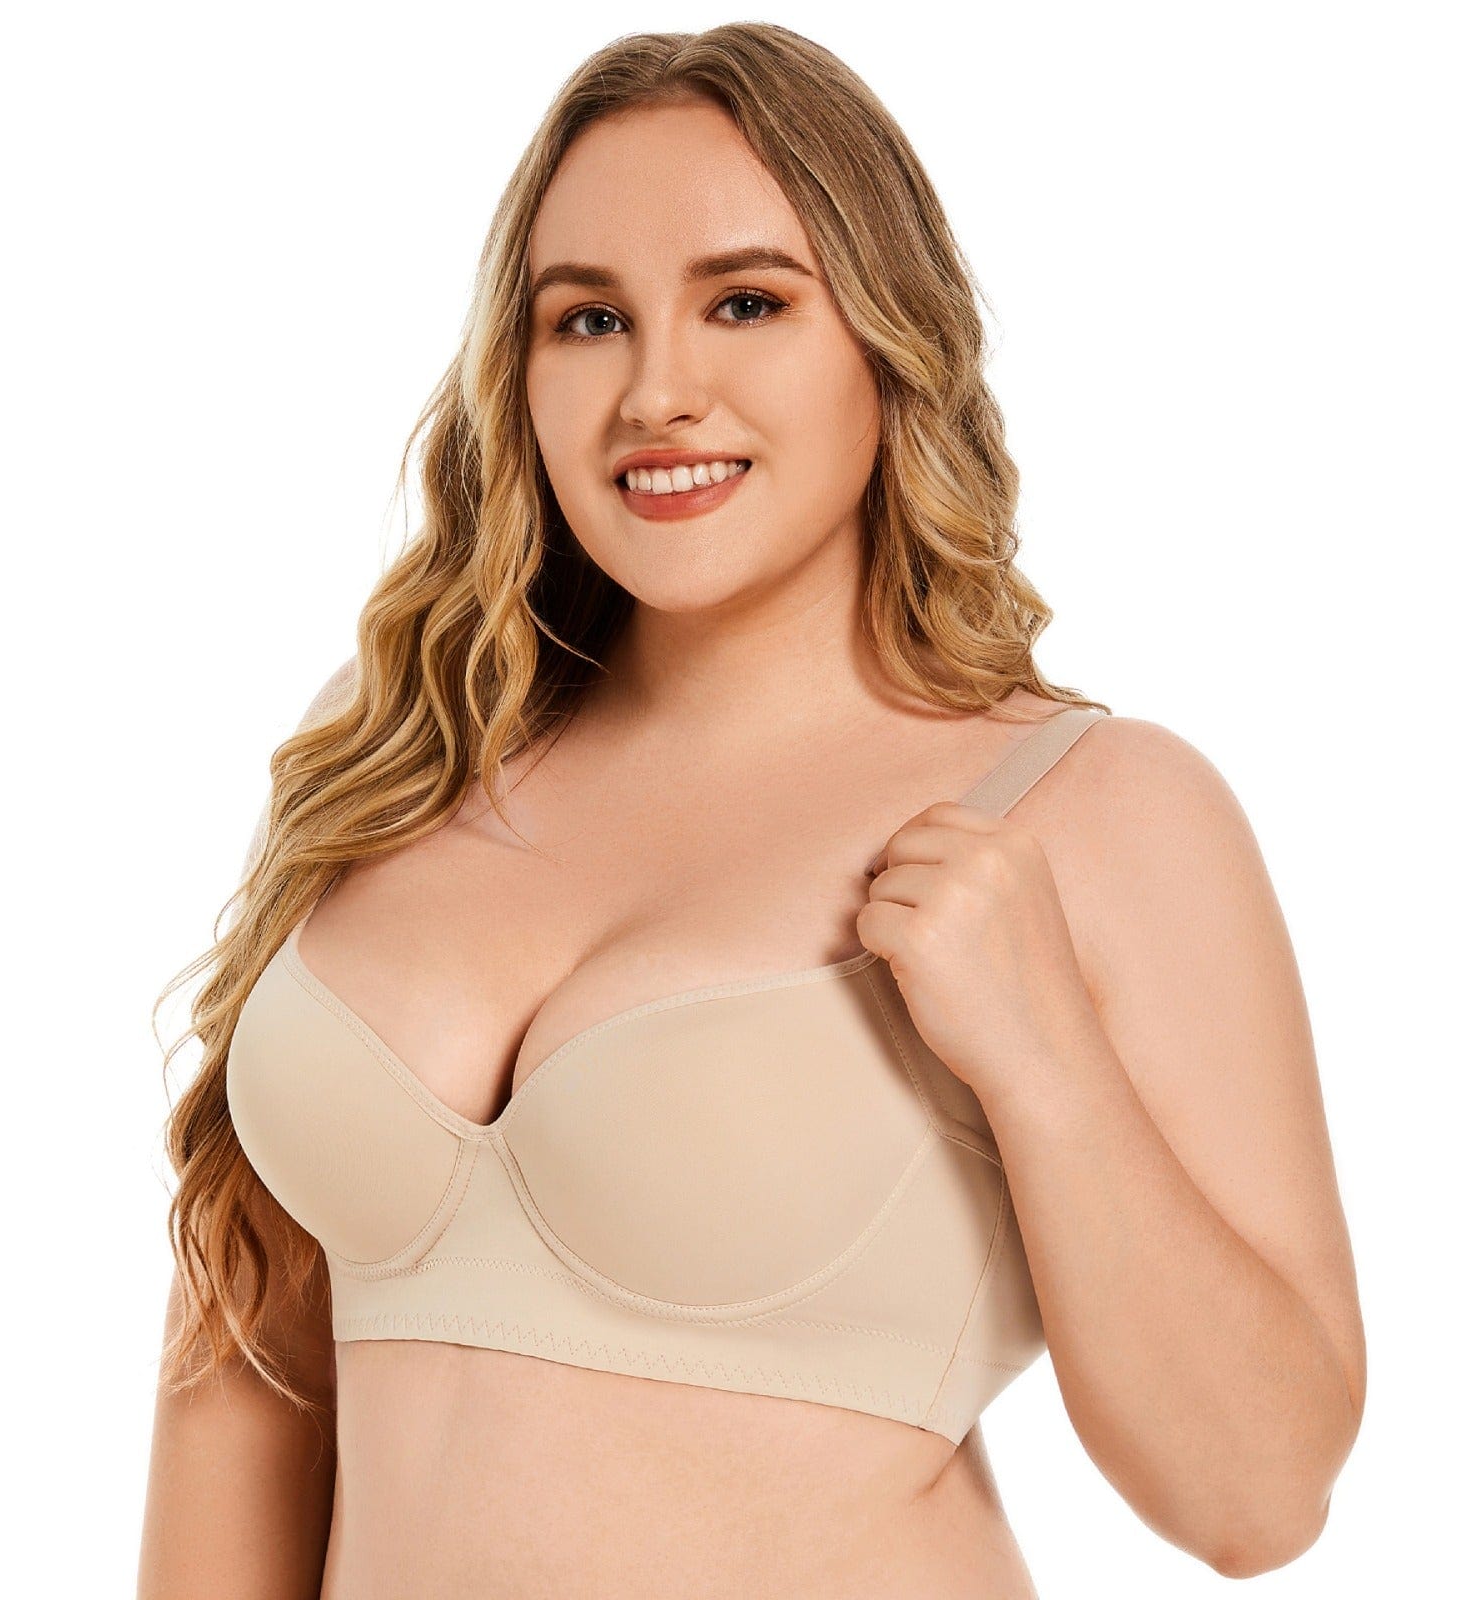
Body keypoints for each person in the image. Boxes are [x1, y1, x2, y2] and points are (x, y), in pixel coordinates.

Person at [137, 23, 1364, 1599]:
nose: (658, 391)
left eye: (746, 302)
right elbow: (245, 1350)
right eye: (589, 319)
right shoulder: (402, 748)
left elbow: (1257, 1498)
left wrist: (1045, 1054)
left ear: (888, 338)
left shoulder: (1093, 811)